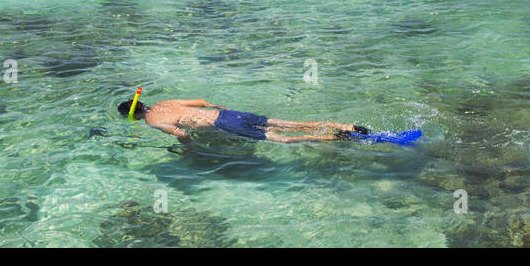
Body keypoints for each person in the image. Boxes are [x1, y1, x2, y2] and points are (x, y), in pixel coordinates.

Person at [119, 96, 363, 144]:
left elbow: (181, 134)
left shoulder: (152, 121)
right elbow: (204, 102)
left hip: (223, 124)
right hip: (229, 114)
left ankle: (335, 137)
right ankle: (345, 126)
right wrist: (224, 109)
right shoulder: (166, 103)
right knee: (285, 122)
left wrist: (188, 152)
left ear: (135, 115)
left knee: (284, 139)